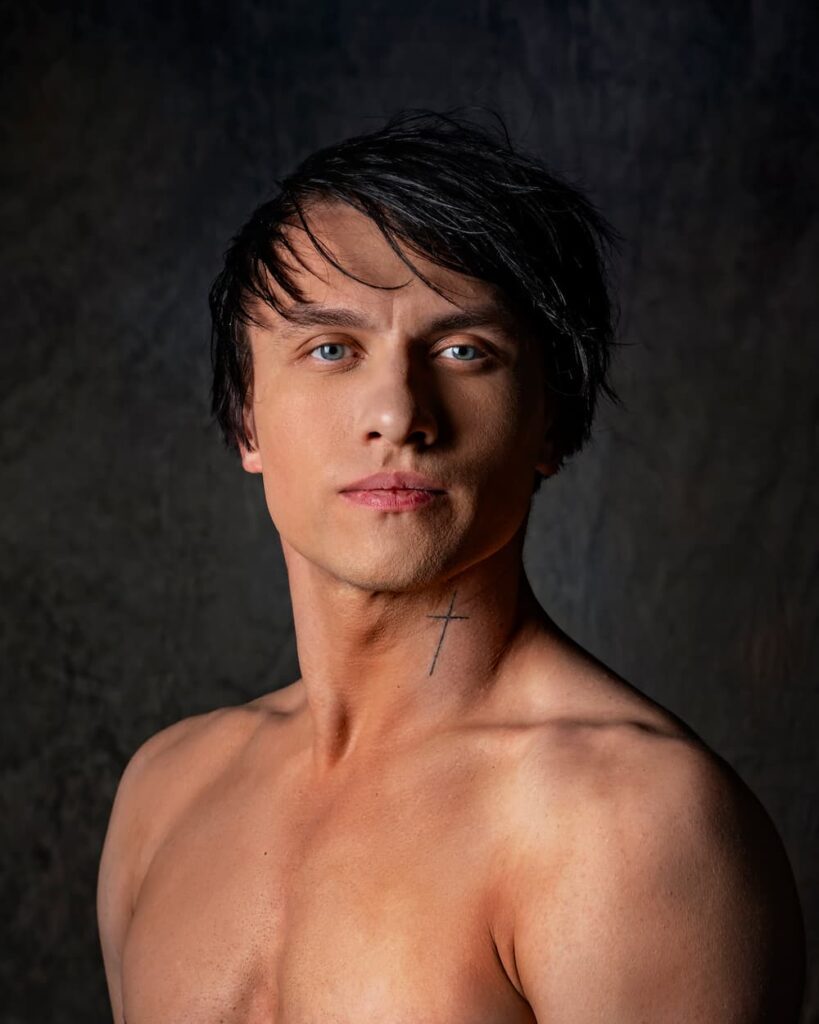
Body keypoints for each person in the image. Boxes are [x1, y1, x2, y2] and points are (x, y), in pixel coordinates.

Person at [96, 109, 805, 1023]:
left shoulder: (628, 823)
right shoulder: (166, 793)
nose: (397, 414)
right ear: (246, 418)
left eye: (463, 351)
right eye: (330, 349)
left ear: (550, 422)